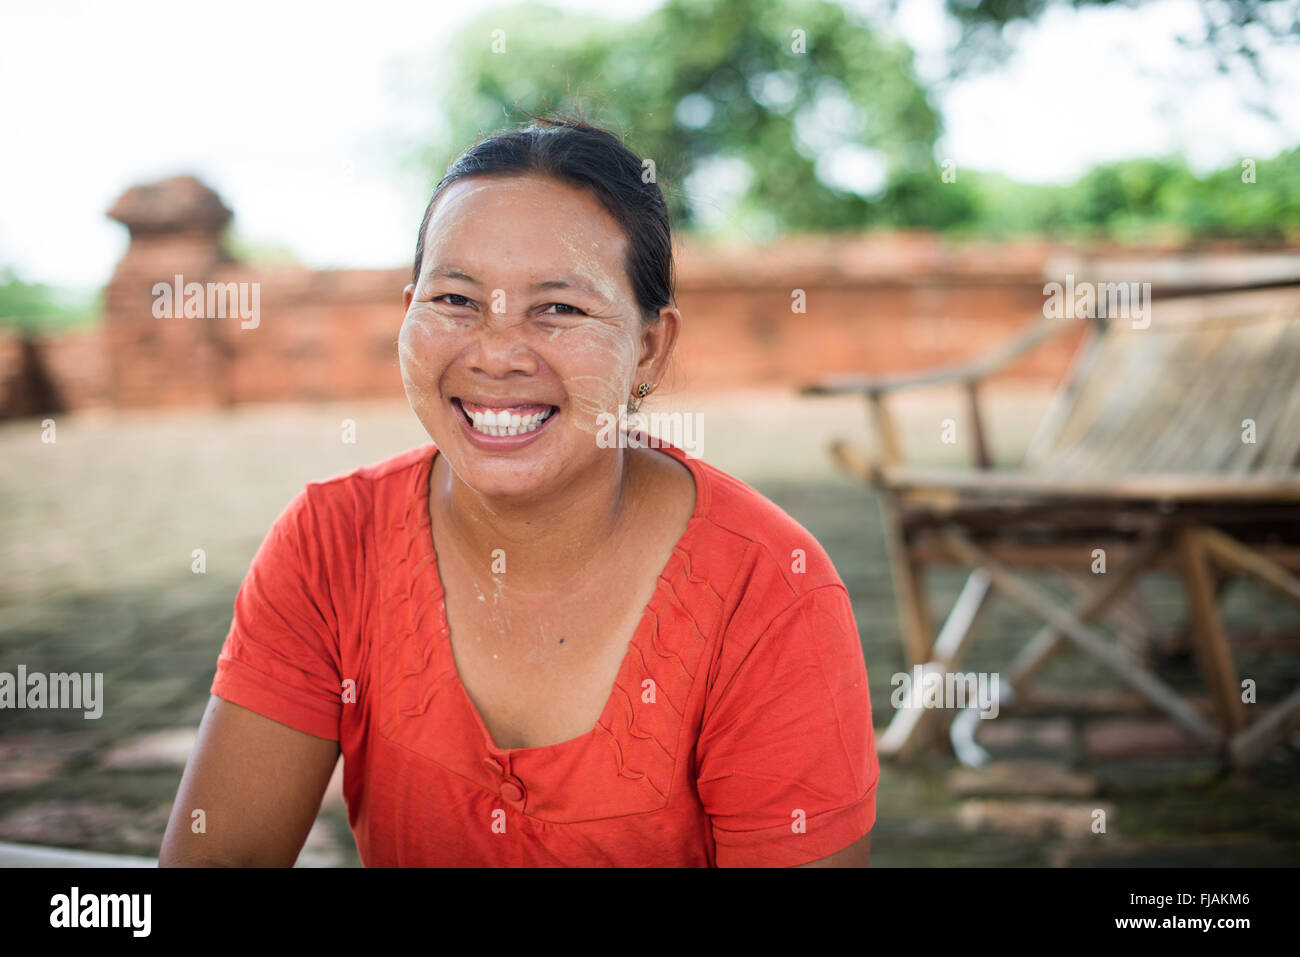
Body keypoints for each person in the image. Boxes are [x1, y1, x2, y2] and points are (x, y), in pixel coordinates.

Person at [159, 114, 878, 867]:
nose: (497, 353)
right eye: (456, 300)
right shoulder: (329, 543)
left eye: (559, 309)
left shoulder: (768, 590)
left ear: (649, 347)